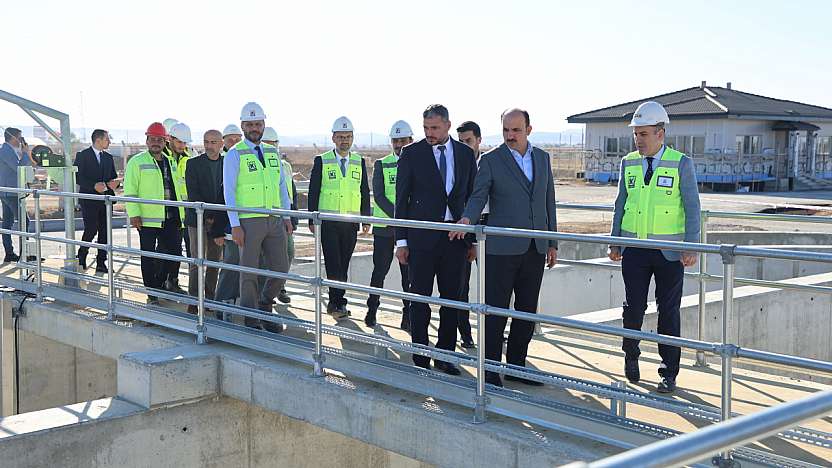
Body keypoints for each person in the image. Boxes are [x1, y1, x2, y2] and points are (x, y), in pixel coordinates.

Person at [454, 109, 558, 387]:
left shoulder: (542, 158)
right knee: (495, 311)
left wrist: (552, 242)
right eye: (506, 131)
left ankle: (516, 367)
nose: (510, 136)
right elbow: (478, 196)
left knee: (526, 311)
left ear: (529, 129)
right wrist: (467, 218)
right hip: (501, 250)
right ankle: (489, 370)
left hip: (535, 248)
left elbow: (549, 203)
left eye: (516, 130)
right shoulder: (491, 160)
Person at [608, 101, 701, 393]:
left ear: (660, 134)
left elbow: (692, 207)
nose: (639, 140)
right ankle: (631, 355)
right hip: (634, 249)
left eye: (644, 134)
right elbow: (621, 203)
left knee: (669, 311)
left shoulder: (680, 163)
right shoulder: (629, 163)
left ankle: (668, 372)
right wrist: (615, 241)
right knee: (633, 307)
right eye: (636, 134)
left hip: (669, 252)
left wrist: (691, 246)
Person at [394, 104, 477, 375]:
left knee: (452, 299)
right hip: (420, 240)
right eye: (426, 128)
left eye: (435, 128)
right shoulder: (411, 154)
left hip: (455, 239)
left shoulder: (465, 154)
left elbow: (473, 198)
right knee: (420, 298)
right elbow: (401, 202)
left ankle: (445, 355)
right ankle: (420, 352)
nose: (429, 133)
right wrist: (401, 242)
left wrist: (472, 239)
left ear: (448, 126)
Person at [223, 102, 292, 333]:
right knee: (249, 271)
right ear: (243, 126)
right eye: (250, 124)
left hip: (274, 219)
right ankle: (250, 318)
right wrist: (235, 225)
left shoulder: (272, 153)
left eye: (258, 124)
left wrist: (286, 215)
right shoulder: (235, 154)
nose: (254, 128)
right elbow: (229, 192)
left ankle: (264, 305)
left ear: (264, 125)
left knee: (281, 266)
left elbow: (282, 186)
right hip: (248, 221)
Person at [307, 116, 371, 319]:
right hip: (328, 222)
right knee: (334, 263)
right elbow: (314, 191)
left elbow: (363, 191)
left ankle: (336, 300)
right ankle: (337, 303)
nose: (345, 140)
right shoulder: (322, 160)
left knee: (344, 263)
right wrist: (311, 219)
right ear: (333, 138)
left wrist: (366, 219)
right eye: (341, 137)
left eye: (348, 137)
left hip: (349, 222)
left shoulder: (358, 162)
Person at [123, 123, 186, 305]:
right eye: (153, 139)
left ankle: (161, 283)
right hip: (147, 219)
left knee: (174, 253)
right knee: (149, 256)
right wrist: (134, 214)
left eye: (160, 140)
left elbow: (176, 189)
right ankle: (152, 293)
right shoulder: (137, 161)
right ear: (147, 140)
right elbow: (130, 190)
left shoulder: (170, 161)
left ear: (165, 141)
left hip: (171, 217)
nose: (156, 143)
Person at [365, 120, 413, 329]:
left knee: (408, 276)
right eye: (396, 141)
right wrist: (398, 216)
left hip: (409, 229)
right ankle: (372, 309)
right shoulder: (381, 164)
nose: (399, 144)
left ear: (411, 140)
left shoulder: (417, 164)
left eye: (403, 140)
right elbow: (380, 196)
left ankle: (407, 316)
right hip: (386, 227)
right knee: (380, 270)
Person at [184, 130, 227, 315]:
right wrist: (208, 213)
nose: (209, 146)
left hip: (218, 221)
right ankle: (194, 300)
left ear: (221, 144)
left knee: (214, 261)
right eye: (206, 142)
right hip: (197, 219)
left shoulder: (228, 163)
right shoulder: (193, 164)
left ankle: (210, 299)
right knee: (197, 260)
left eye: (213, 142)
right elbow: (193, 192)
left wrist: (217, 218)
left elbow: (228, 192)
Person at [455, 120, 485, 348]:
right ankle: (465, 334)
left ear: (478, 140)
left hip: (487, 231)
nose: (465, 146)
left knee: (491, 288)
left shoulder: (489, 164)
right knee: (460, 287)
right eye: (461, 142)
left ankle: (492, 333)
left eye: (469, 141)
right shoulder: (456, 164)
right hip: (463, 234)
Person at [74, 129, 119, 272]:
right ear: (98, 140)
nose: (109, 142)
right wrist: (93, 185)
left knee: (105, 231)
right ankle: (82, 255)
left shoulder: (108, 157)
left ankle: (101, 262)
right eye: (107, 139)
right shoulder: (83, 156)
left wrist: (115, 182)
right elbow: (78, 177)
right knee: (91, 229)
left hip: (105, 200)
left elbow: (113, 175)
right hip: (89, 199)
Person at [262, 127, 296, 305]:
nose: (270, 147)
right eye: (266, 144)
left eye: (273, 144)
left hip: (284, 218)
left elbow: (290, 192)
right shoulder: (261, 165)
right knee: (268, 257)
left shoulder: (285, 166)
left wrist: (292, 217)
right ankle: (267, 293)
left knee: (288, 253)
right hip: (268, 219)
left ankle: (279, 287)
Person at [163, 122, 193, 293]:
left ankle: (177, 282)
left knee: (190, 251)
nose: (182, 146)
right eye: (179, 142)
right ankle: (166, 282)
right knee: (170, 250)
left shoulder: (188, 159)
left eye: (184, 143)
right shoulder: (162, 157)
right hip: (170, 212)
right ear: (170, 139)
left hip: (186, 212)